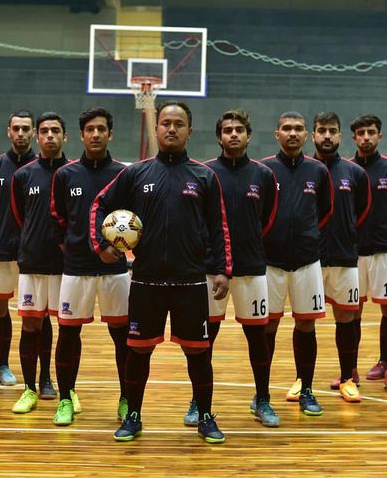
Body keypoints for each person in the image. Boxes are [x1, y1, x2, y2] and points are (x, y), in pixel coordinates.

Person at [91, 100, 231, 444]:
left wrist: (222, 271)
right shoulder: (135, 173)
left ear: (189, 131)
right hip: (146, 281)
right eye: (165, 123)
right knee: (138, 350)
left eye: (178, 124)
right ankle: (134, 416)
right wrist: (103, 245)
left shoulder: (204, 176)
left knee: (199, 351)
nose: (171, 128)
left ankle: (206, 415)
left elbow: (219, 227)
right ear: (156, 129)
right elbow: (100, 205)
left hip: (191, 281)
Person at [183, 109, 279, 428]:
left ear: (249, 135)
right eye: (227, 130)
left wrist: (246, 248)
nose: (233, 134)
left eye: (239, 129)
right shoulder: (204, 173)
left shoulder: (263, 175)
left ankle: (262, 399)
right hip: (211, 271)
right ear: (219, 136)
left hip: (251, 269)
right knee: (205, 340)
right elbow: (198, 224)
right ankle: (199, 400)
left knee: (258, 338)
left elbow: (266, 220)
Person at [50, 107, 130, 426]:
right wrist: (74, 249)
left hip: (115, 271)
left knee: (122, 337)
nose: (95, 134)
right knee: (68, 334)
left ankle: (127, 399)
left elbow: (135, 219)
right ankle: (66, 398)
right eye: (90, 130)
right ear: (81, 135)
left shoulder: (124, 174)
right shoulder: (66, 175)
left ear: (110, 133)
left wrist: (116, 249)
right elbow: (57, 220)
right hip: (76, 270)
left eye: (101, 129)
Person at [262, 111, 333, 416]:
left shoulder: (318, 171)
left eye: (299, 129)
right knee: (268, 327)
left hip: (307, 263)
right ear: (276, 134)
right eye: (287, 129)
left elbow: (326, 211)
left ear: (306, 136)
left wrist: (307, 236)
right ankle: (261, 394)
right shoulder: (263, 169)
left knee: (306, 324)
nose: (293, 133)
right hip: (269, 263)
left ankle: (306, 389)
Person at [0, 111, 39, 398]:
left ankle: (43, 379)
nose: (22, 133)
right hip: (0, 251)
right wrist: (1, 234)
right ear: (9, 132)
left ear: (34, 132)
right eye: (17, 128)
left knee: (37, 316)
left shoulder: (43, 167)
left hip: (34, 255)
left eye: (27, 129)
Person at [10, 112, 69, 413]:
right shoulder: (23, 175)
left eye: (55, 131)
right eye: (44, 131)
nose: (50, 136)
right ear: (37, 136)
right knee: (31, 324)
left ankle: (62, 389)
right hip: (32, 262)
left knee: (66, 328)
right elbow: (21, 216)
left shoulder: (75, 173)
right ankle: (30, 388)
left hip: (64, 265)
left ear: (65, 137)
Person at [312, 112, 370, 402]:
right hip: (308, 260)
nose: (327, 136)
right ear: (313, 135)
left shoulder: (355, 173)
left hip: (346, 257)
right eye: (321, 130)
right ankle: (303, 382)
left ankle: (348, 377)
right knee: (304, 321)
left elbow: (361, 210)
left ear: (340, 136)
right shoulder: (304, 169)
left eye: (332, 131)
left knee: (347, 316)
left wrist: (344, 236)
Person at [350, 114, 387, 387]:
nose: (366, 137)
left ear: (379, 136)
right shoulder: (346, 170)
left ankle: (385, 361)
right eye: (361, 133)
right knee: (352, 312)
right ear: (353, 138)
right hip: (353, 254)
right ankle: (349, 368)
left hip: (384, 252)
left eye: (371, 132)